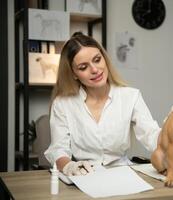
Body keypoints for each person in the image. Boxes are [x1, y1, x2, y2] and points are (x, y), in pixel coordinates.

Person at [44, 32, 161, 176]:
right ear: (74, 74)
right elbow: (58, 149)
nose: (94, 69)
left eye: (97, 60)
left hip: (123, 175)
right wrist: (69, 166)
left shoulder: (131, 96)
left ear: (104, 59)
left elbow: (151, 135)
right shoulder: (62, 104)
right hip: (84, 176)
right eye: (83, 67)